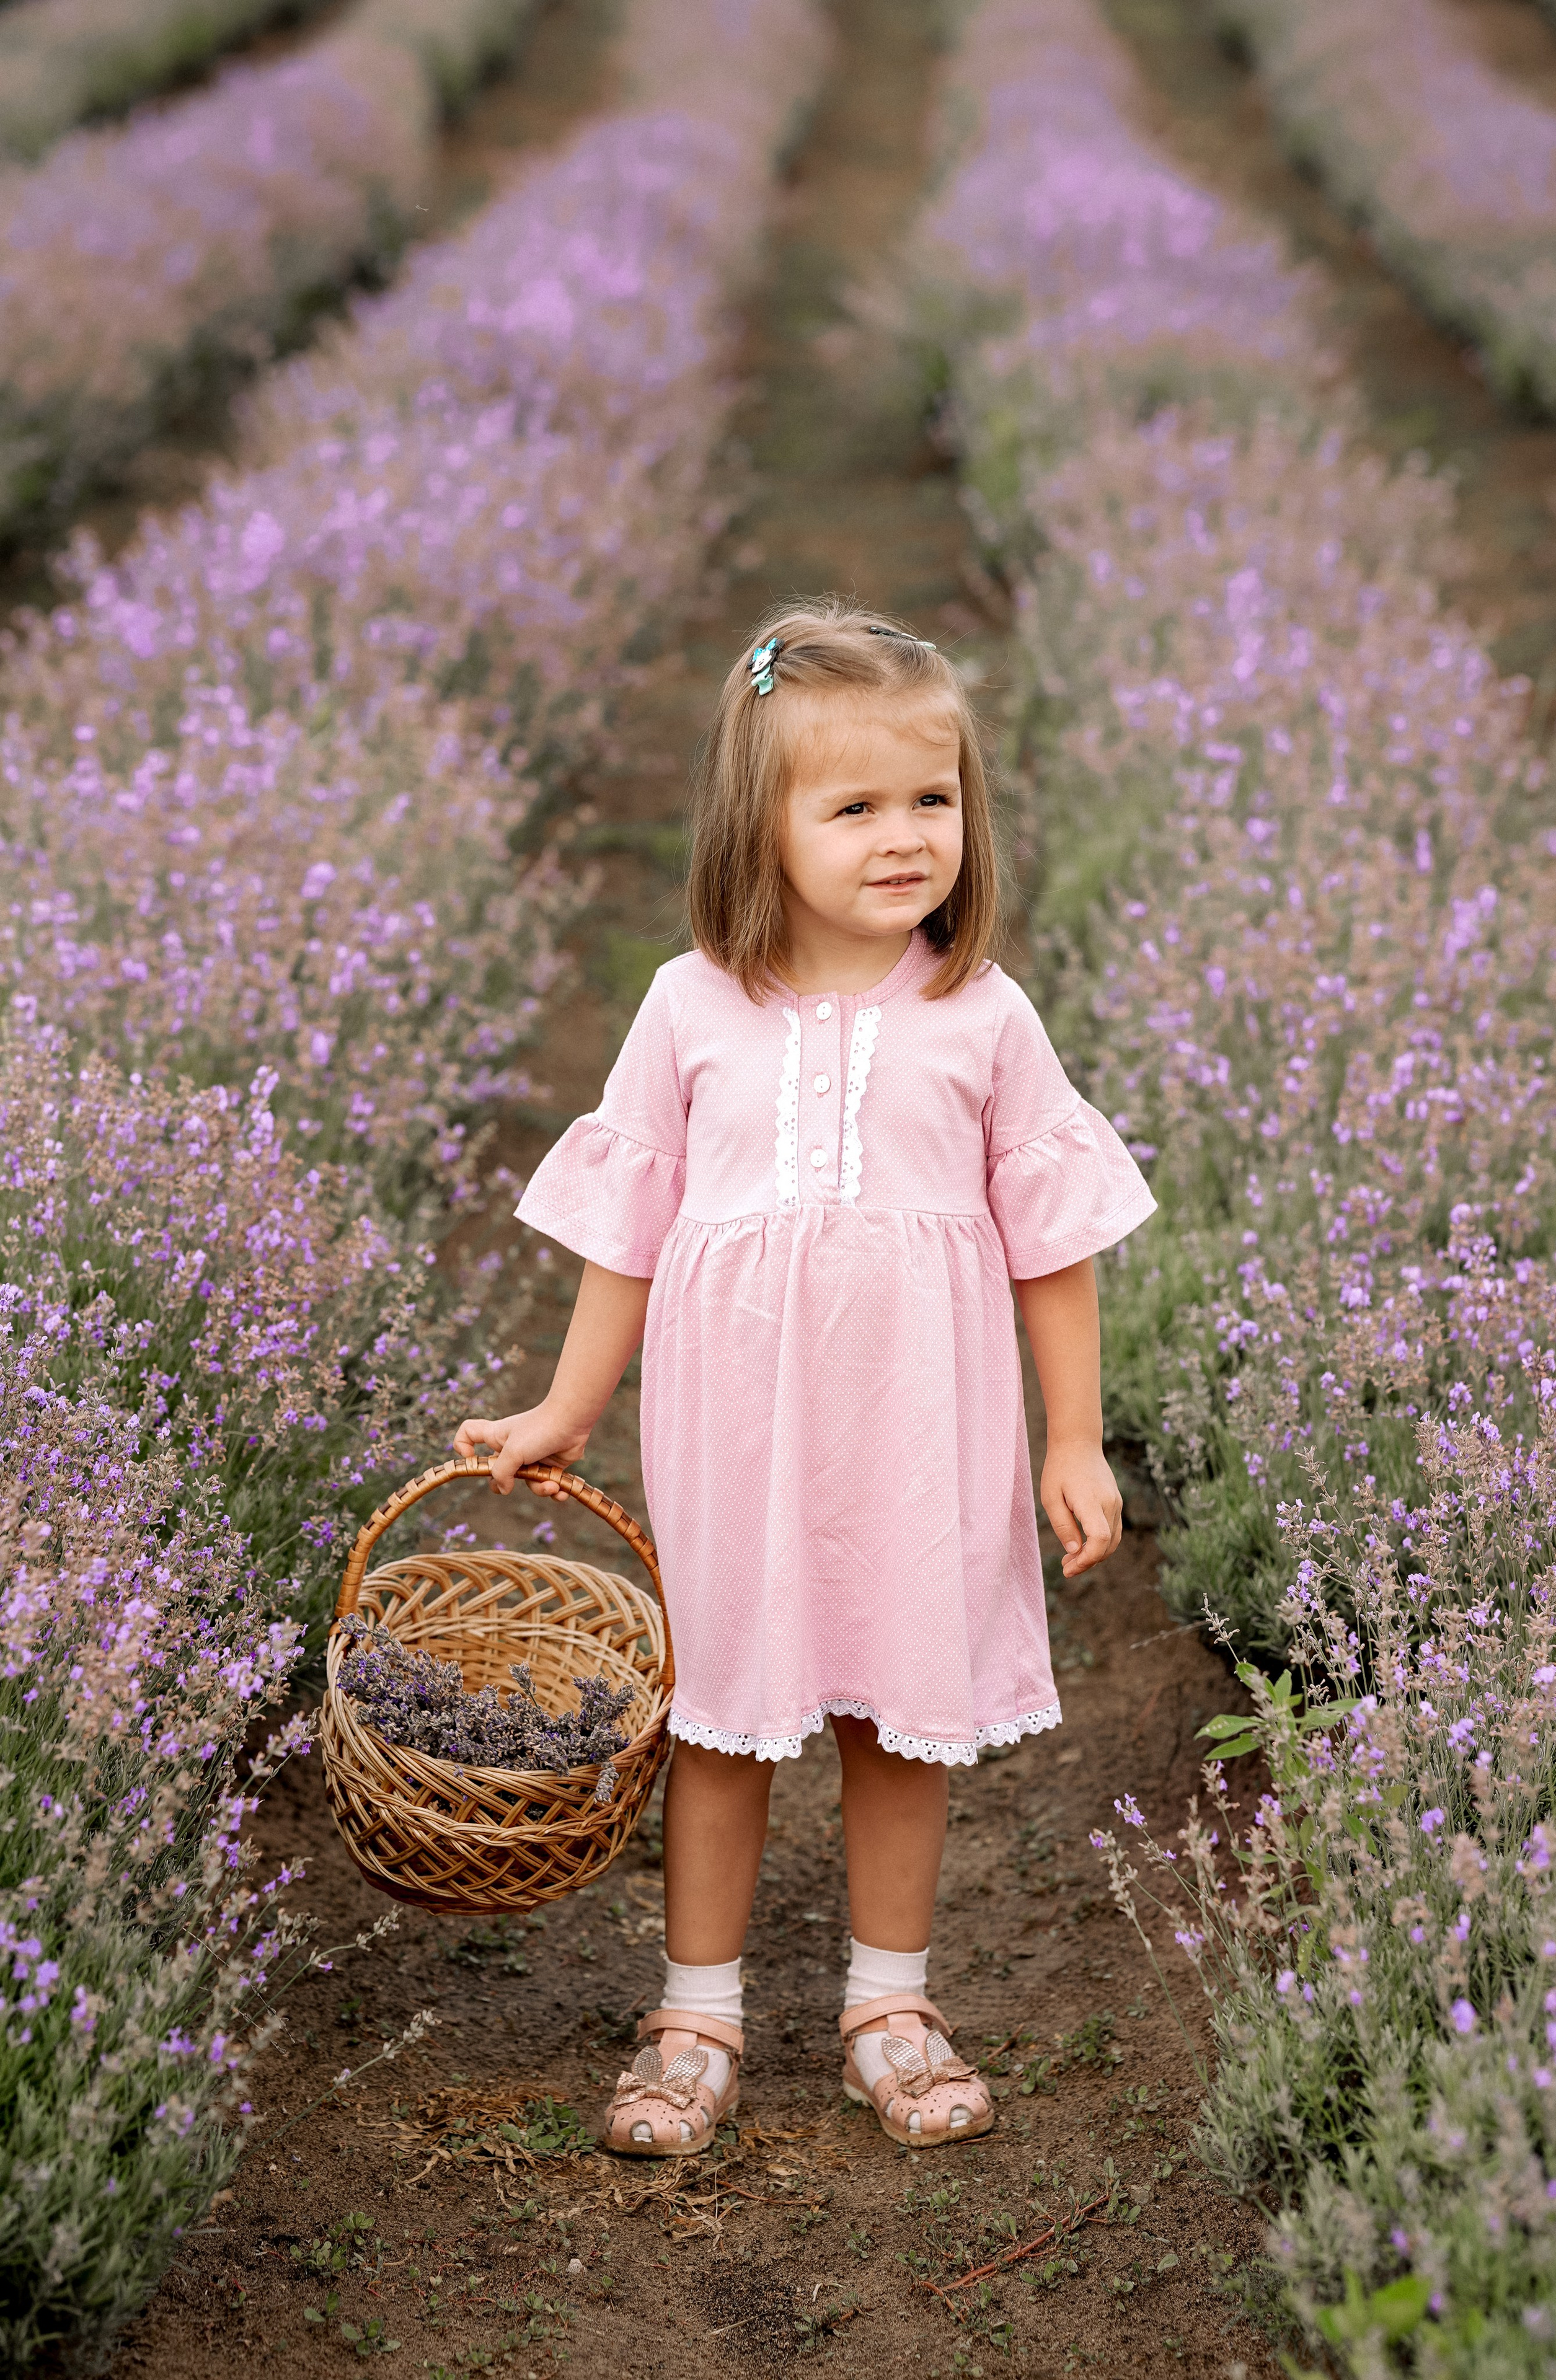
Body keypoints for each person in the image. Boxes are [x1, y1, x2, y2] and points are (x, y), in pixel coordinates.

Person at [453, 599, 1155, 2155]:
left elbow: (1051, 1241)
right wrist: (568, 1408)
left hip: (922, 1430)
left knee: (900, 1721)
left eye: (932, 800)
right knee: (719, 1714)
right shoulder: (688, 1006)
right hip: (739, 1436)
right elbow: (626, 1230)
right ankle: (694, 2010)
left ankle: (886, 2004)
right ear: (755, 829)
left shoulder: (980, 1015)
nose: (904, 838)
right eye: (853, 807)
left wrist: (1074, 1438)